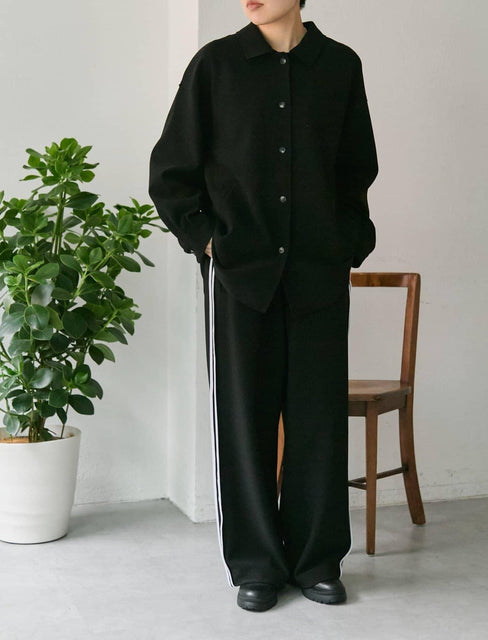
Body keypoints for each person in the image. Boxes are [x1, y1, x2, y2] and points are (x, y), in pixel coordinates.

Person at [148, 0, 379, 612]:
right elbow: (171, 172)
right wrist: (209, 243)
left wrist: (347, 243)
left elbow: (356, 169)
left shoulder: (339, 67)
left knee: (318, 423)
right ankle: (254, 564)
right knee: (243, 422)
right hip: (240, 278)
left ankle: (317, 560)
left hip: (317, 277)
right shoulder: (216, 66)